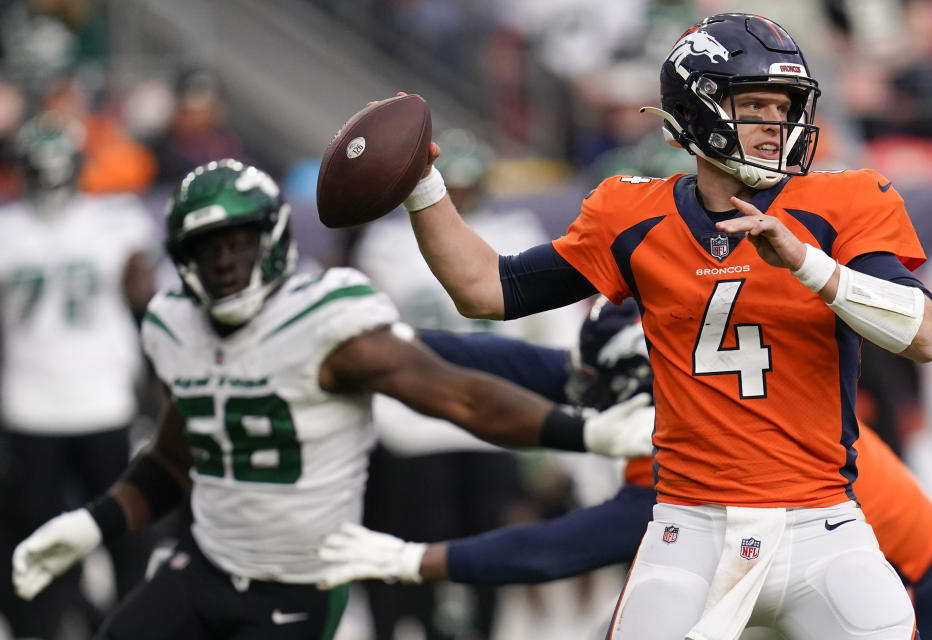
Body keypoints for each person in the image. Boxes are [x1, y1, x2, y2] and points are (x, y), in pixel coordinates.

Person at [394, 12, 932, 639]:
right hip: (690, 530)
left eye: (785, 105)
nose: (777, 124)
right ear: (700, 109)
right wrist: (423, 187)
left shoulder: (842, 203)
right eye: (755, 104)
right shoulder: (631, 214)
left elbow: (923, 334)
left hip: (824, 526)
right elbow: (487, 289)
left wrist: (809, 264)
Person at [9, 158, 652, 640]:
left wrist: (581, 435)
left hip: (296, 583)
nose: (226, 264)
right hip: (204, 564)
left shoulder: (327, 319)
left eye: (238, 242)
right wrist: (90, 522)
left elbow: (457, 396)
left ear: (274, 239)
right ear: (181, 259)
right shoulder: (173, 320)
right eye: (207, 250)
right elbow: (176, 458)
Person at [317, 297, 932, 640]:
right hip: (765, 565)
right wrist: (393, 341)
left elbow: (553, 551)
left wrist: (410, 560)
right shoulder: (668, 381)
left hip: (891, 577)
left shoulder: (708, 453)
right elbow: (522, 366)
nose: (588, 393)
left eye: (609, 386)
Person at [351, 126, 590, 640]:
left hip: (494, 425)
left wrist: (551, 439)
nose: (455, 197)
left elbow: (555, 334)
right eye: (447, 186)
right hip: (415, 427)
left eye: (462, 186)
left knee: (485, 560)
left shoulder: (512, 226)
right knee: (412, 560)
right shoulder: (388, 240)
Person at [0, 112, 159, 638]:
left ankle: (91, 623)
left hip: (83, 401)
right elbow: (149, 297)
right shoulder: (113, 220)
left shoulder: (113, 220)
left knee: (98, 531)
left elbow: (146, 291)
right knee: (92, 532)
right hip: (50, 403)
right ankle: (85, 623)